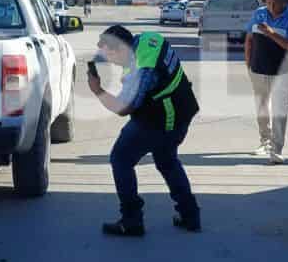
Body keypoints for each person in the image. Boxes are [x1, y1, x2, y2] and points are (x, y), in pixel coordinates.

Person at [87, 25, 202, 236]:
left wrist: (98, 90)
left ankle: (131, 220)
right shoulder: (150, 39)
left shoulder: (140, 69)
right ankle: (190, 215)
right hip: (182, 110)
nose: (110, 62)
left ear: (120, 49)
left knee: (121, 159)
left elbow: (124, 107)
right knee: (167, 161)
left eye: (109, 56)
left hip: (160, 119)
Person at [244, 0, 288, 164]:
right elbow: (249, 38)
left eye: (273, 4)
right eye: (267, 3)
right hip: (258, 69)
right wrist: (248, 62)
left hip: (282, 72)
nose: (270, 7)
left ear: (283, 1)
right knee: (262, 107)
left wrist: (271, 33)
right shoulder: (259, 14)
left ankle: (277, 149)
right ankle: (265, 142)